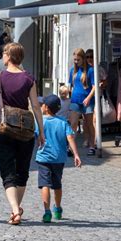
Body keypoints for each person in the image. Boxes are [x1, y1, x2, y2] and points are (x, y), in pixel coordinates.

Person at [0, 42, 45, 226]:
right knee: (22, 172)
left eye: (4, 53)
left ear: (8, 56)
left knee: (7, 171)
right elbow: (36, 106)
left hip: (4, 127)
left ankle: (15, 210)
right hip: (25, 129)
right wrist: (42, 131)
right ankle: (16, 209)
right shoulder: (29, 79)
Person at [35, 94, 82, 223]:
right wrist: (76, 154)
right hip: (59, 159)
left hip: (43, 157)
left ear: (46, 107)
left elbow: (34, 136)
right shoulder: (63, 122)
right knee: (57, 185)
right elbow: (70, 138)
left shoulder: (40, 121)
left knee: (45, 184)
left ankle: (47, 211)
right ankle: (58, 208)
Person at [68, 48, 96, 156]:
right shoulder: (73, 70)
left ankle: (92, 146)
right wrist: (68, 95)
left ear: (83, 59)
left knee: (89, 124)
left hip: (87, 101)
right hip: (75, 100)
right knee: (73, 123)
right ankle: (71, 147)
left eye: (78, 60)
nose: (76, 62)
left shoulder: (90, 70)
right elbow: (70, 86)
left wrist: (88, 98)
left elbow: (94, 87)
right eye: (74, 60)